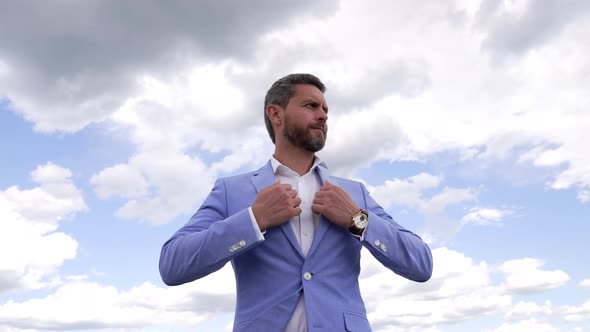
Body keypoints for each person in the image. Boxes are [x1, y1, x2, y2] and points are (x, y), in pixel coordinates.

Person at [159, 73, 433, 332]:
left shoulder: (354, 194)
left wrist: (357, 220)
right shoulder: (231, 191)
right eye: (311, 105)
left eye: (326, 109)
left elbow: (421, 264)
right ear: (276, 114)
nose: (323, 115)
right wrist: (253, 219)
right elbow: (172, 264)